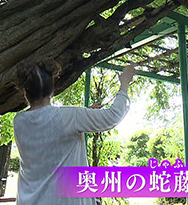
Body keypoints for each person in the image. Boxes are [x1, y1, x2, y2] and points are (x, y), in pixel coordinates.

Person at [13, 61, 135, 205]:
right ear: (52, 90)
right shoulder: (70, 117)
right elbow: (113, 116)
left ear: (25, 92)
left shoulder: (19, 121)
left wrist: (85, 114)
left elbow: (50, 127)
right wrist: (125, 83)